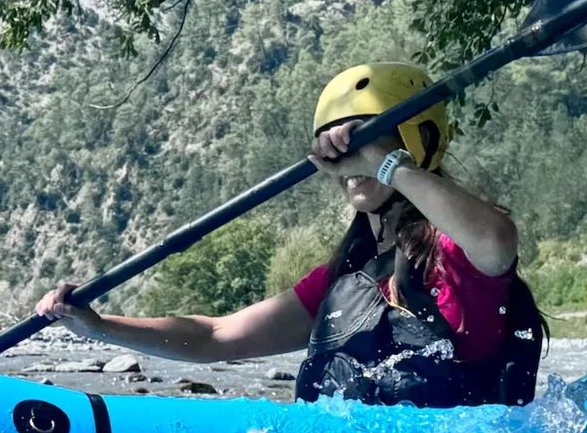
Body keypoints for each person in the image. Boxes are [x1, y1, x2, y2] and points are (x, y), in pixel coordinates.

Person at [35, 61, 546, 407]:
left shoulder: (460, 248)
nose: (353, 160)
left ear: (417, 141)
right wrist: (98, 325)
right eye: (343, 148)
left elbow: (498, 239)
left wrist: (388, 165)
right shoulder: (345, 279)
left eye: (368, 137)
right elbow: (214, 337)